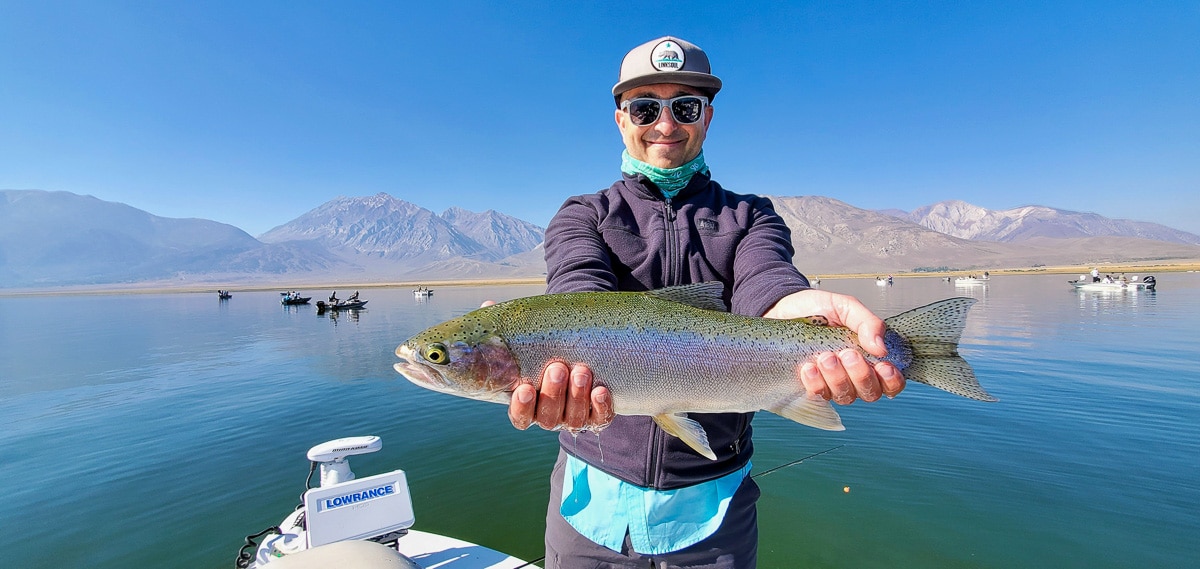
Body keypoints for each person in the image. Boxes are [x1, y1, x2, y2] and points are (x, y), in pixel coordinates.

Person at [507, 36, 905, 569]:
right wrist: (540, 337)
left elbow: (770, 282)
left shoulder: (752, 216)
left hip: (717, 512)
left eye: (684, 107)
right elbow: (580, 294)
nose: (665, 125)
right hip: (588, 504)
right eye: (646, 108)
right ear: (622, 120)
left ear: (708, 117)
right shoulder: (583, 214)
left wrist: (800, 307)